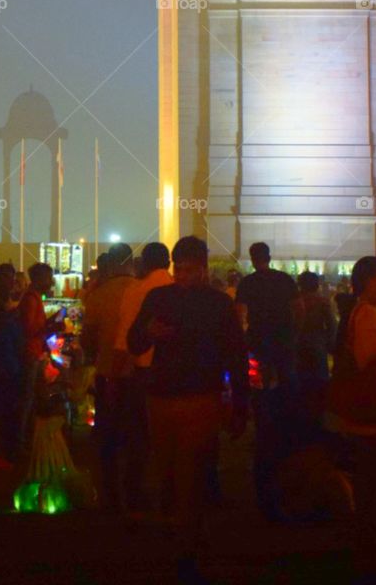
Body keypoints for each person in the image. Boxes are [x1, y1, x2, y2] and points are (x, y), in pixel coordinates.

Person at [128, 236, 248, 563]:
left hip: (199, 397)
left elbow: (237, 356)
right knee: (169, 468)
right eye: (179, 270)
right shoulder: (159, 298)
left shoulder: (217, 303)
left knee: (191, 469)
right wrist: (148, 334)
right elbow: (134, 343)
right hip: (165, 396)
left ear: (203, 269)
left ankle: (187, 534)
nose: (184, 277)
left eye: (190, 271)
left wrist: (239, 404)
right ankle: (179, 530)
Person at [331, 255, 376, 578]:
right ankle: (374, 552)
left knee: (372, 484)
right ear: (369, 280)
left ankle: (370, 550)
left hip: (372, 412)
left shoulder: (361, 312)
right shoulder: (367, 314)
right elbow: (365, 357)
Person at [112, 240, 173, 511]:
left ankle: (134, 498)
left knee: (138, 440)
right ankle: (173, 497)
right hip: (177, 375)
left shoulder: (135, 290)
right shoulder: (180, 290)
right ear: (170, 262)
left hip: (141, 372)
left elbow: (124, 340)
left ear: (144, 264)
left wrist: (114, 379)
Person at [82, 241, 137, 511]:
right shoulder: (143, 291)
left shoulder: (100, 294)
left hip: (107, 374)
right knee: (137, 436)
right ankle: (135, 491)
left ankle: (109, 492)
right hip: (139, 374)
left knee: (108, 436)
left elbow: (88, 338)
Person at [235, 243, 298, 388]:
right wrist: (295, 331)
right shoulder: (284, 279)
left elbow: (239, 313)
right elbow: (299, 308)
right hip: (283, 336)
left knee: (260, 381)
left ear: (252, 259)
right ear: (269, 258)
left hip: (258, 337)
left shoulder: (247, 283)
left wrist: (243, 336)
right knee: (285, 379)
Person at [17, 261, 59, 451]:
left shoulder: (34, 297)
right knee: (27, 397)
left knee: (32, 396)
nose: (51, 282)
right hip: (30, 352)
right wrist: (50, 326)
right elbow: (29, 328)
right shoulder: (31, 299)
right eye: (49, 278)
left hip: (34, 351)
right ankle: (21, 439)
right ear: (40, 278)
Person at [0, 263, 24, 457]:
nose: (11, 282)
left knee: (10, 404)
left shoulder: (7, 301)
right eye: (7, 277)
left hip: (10, 357)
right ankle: (5, 448)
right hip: (1, 358)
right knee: (5, 405)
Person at [293, 270, 336, 386]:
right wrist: (330, 345)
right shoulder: (323, 302)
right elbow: (332, 326)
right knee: (320, 385)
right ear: (316, 285)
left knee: (301, 385)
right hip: (318, 347)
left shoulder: (294, 303)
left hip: (298, 346)